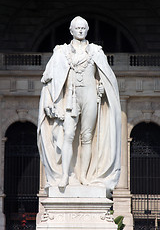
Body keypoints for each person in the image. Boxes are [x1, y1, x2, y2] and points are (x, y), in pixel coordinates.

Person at [37, 16, 121, 197]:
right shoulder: (61, 52)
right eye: (77, 28)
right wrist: (49, 102)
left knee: (87, 136)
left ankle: (84, 176)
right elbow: (48, 79)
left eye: (83, 28)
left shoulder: (96, 51)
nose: (81, 30)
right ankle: (65, 176)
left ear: (87, 29)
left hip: (90, 96)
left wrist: (102, 86)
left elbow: (107, 78)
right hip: (70, 98)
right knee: (68, 134)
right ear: (71, 30)